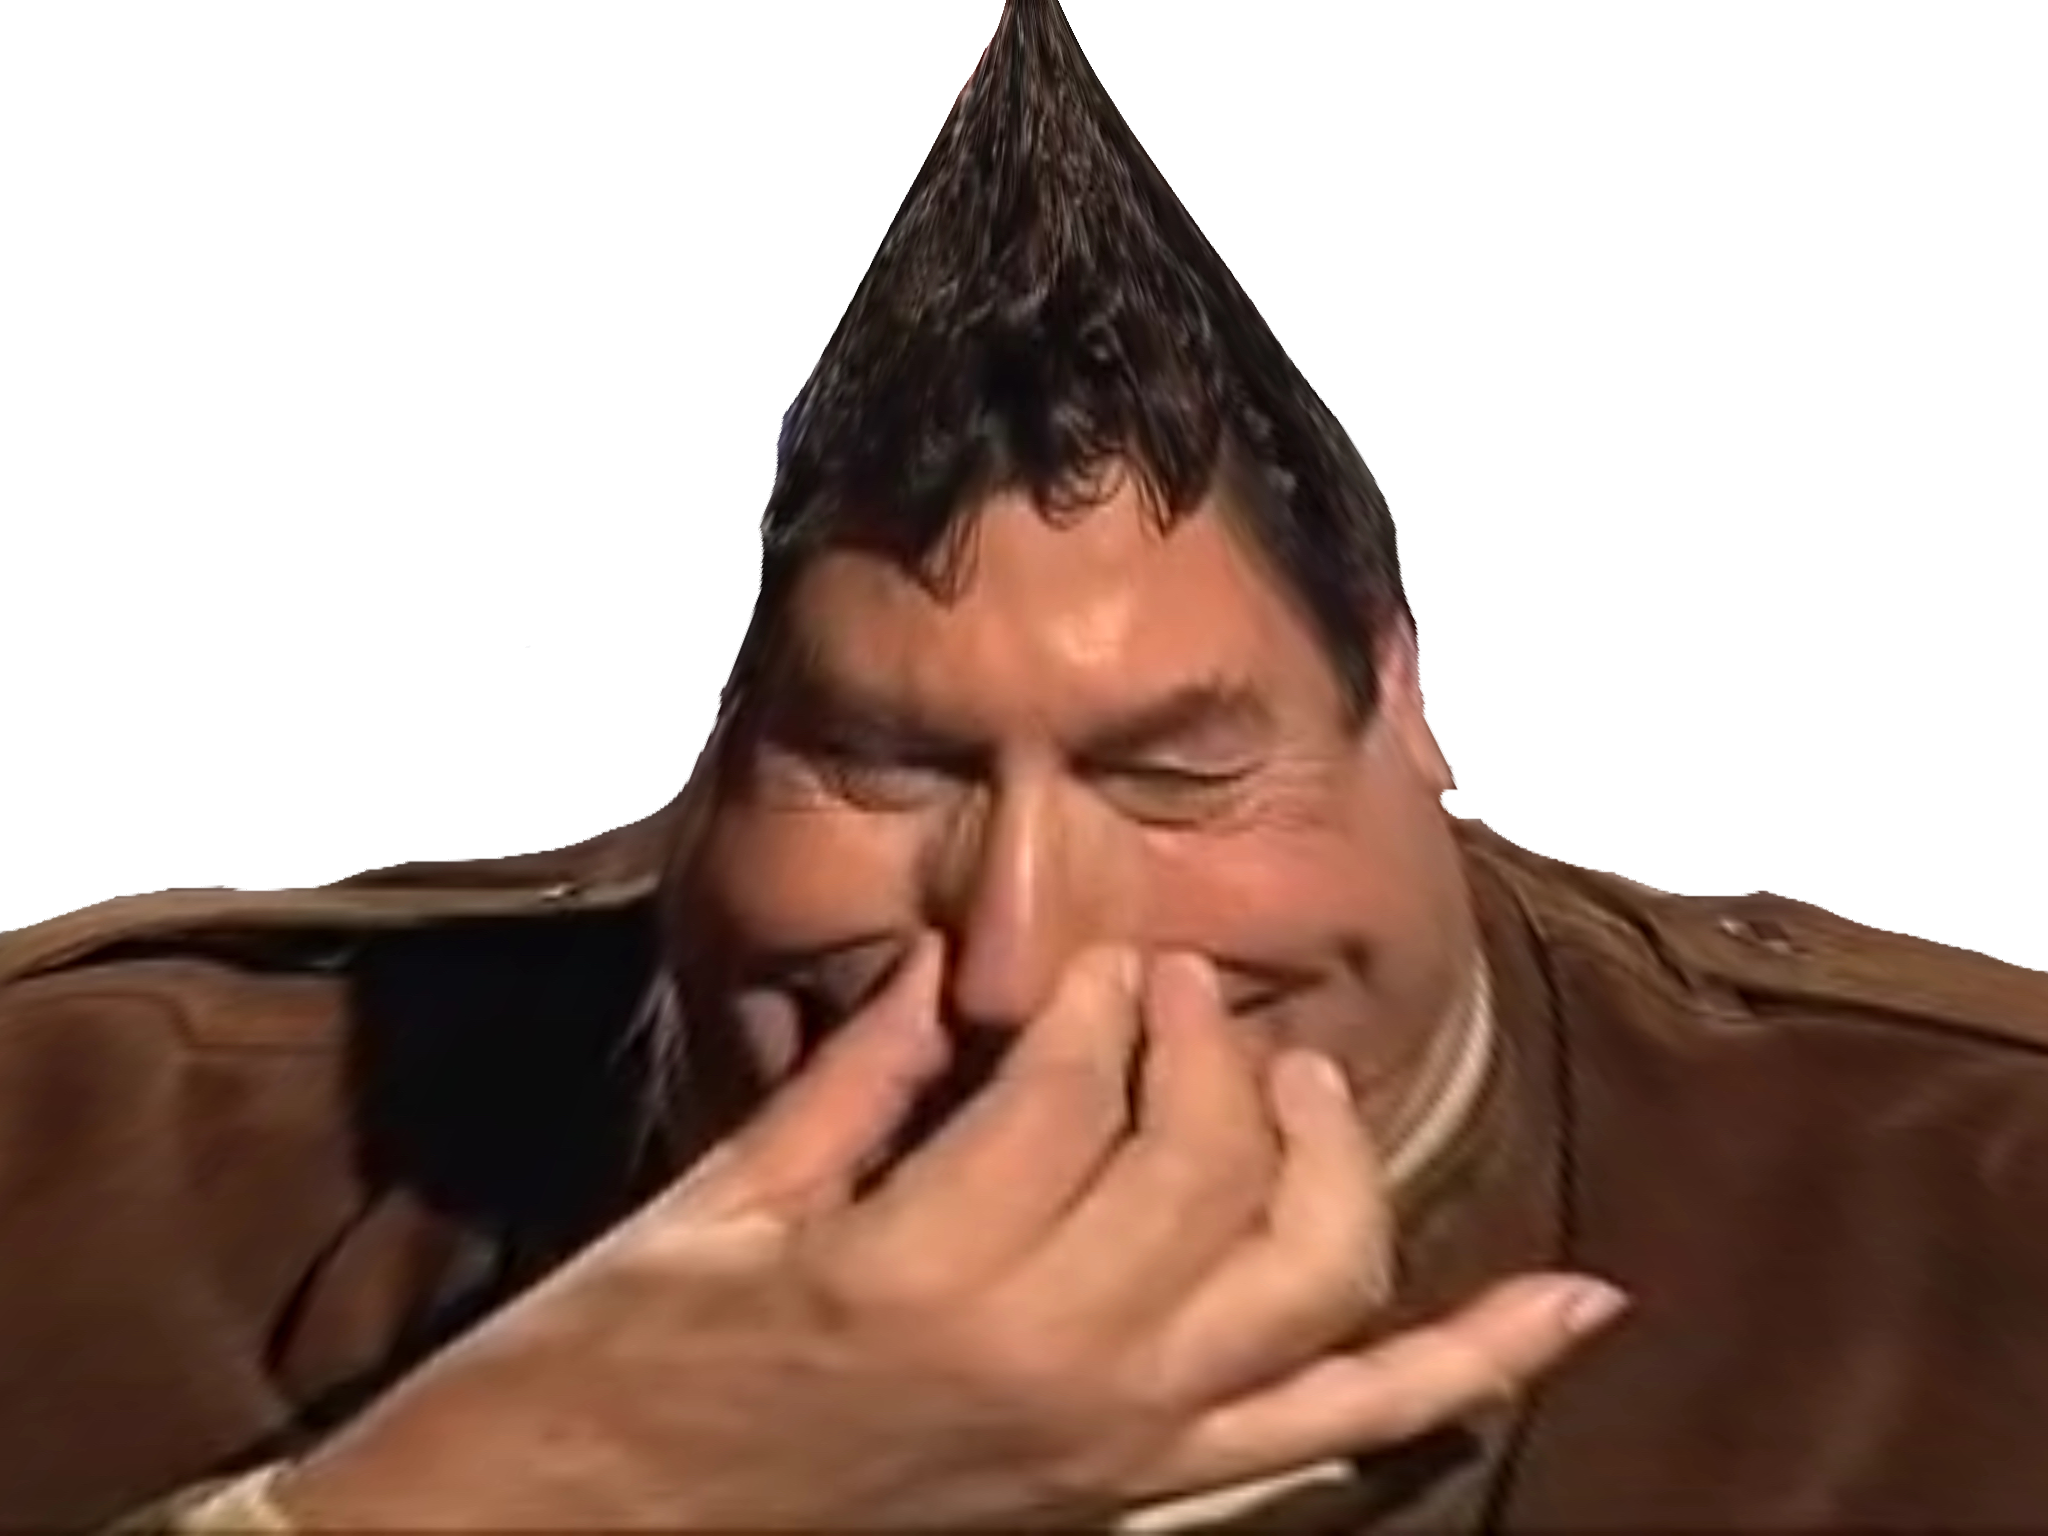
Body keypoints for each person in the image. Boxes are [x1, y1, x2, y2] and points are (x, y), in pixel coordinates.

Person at [4, 1, 2044, 1529]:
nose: (1017, 964)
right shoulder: (66, 1152)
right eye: (881, 770)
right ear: (707, 747)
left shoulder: (1980, 1204)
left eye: (1176, 780)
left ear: (1399, 698)